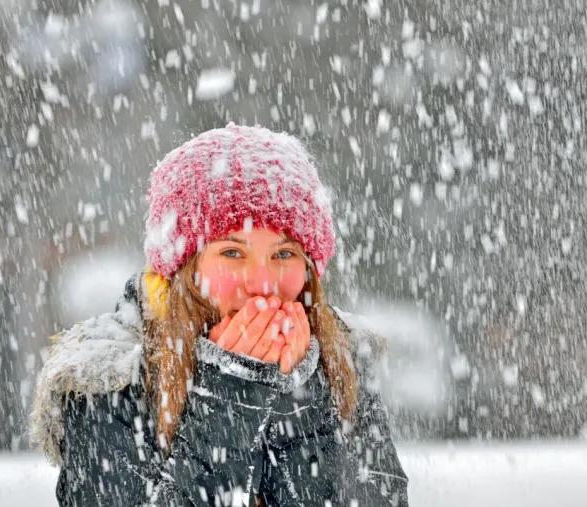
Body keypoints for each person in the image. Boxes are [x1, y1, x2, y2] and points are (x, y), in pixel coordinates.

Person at [29, 123, 409, 506]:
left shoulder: (339, 361)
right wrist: (231, 394)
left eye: (283, 254)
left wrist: (299, 396)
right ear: (183, 269)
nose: (262, 283)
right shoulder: (110, 381)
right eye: (231, 252)